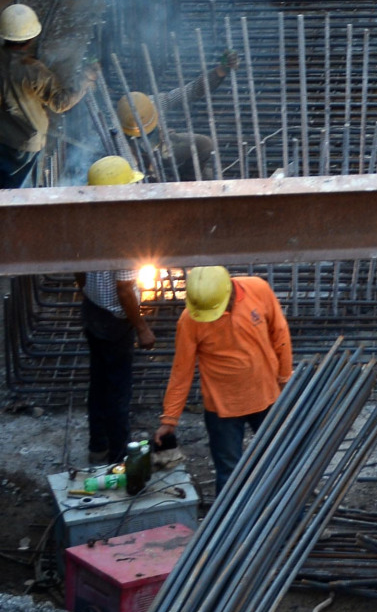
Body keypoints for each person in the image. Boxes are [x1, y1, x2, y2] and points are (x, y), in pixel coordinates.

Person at [154, 266, 293, 496]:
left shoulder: (258, 289)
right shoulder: (191, 318)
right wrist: (170, 419)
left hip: (266, 396)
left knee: (281, 463)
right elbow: (182, 371)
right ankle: (230, 529)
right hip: (222, 408)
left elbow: (280, 334)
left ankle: (289, 523)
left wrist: (285, 378)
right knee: (229, 474)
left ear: (228, 291)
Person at [0, 4, 94, 188]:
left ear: (2, 34)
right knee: (21, 193)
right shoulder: (33, 71)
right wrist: (85, 80)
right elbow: (61, 103)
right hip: (26, 143)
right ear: (31, 38)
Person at [76, 155, 157, 462]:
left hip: (92, 312)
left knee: (98, 382)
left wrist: (86, 290)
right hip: (114, 322)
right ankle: (118, 458)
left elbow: (77, 270)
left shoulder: (85, 221)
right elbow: (125, 289)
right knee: (118, 390)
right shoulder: (124, 233)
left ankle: (97, 445)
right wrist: (142, 327)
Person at [114, 48, 242, 180]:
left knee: (204, 145)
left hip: (164, 145)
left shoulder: (154, 103)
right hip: (137, 160)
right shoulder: (117, 129)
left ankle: (187, 178)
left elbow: (192, 90)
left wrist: (220, 71)